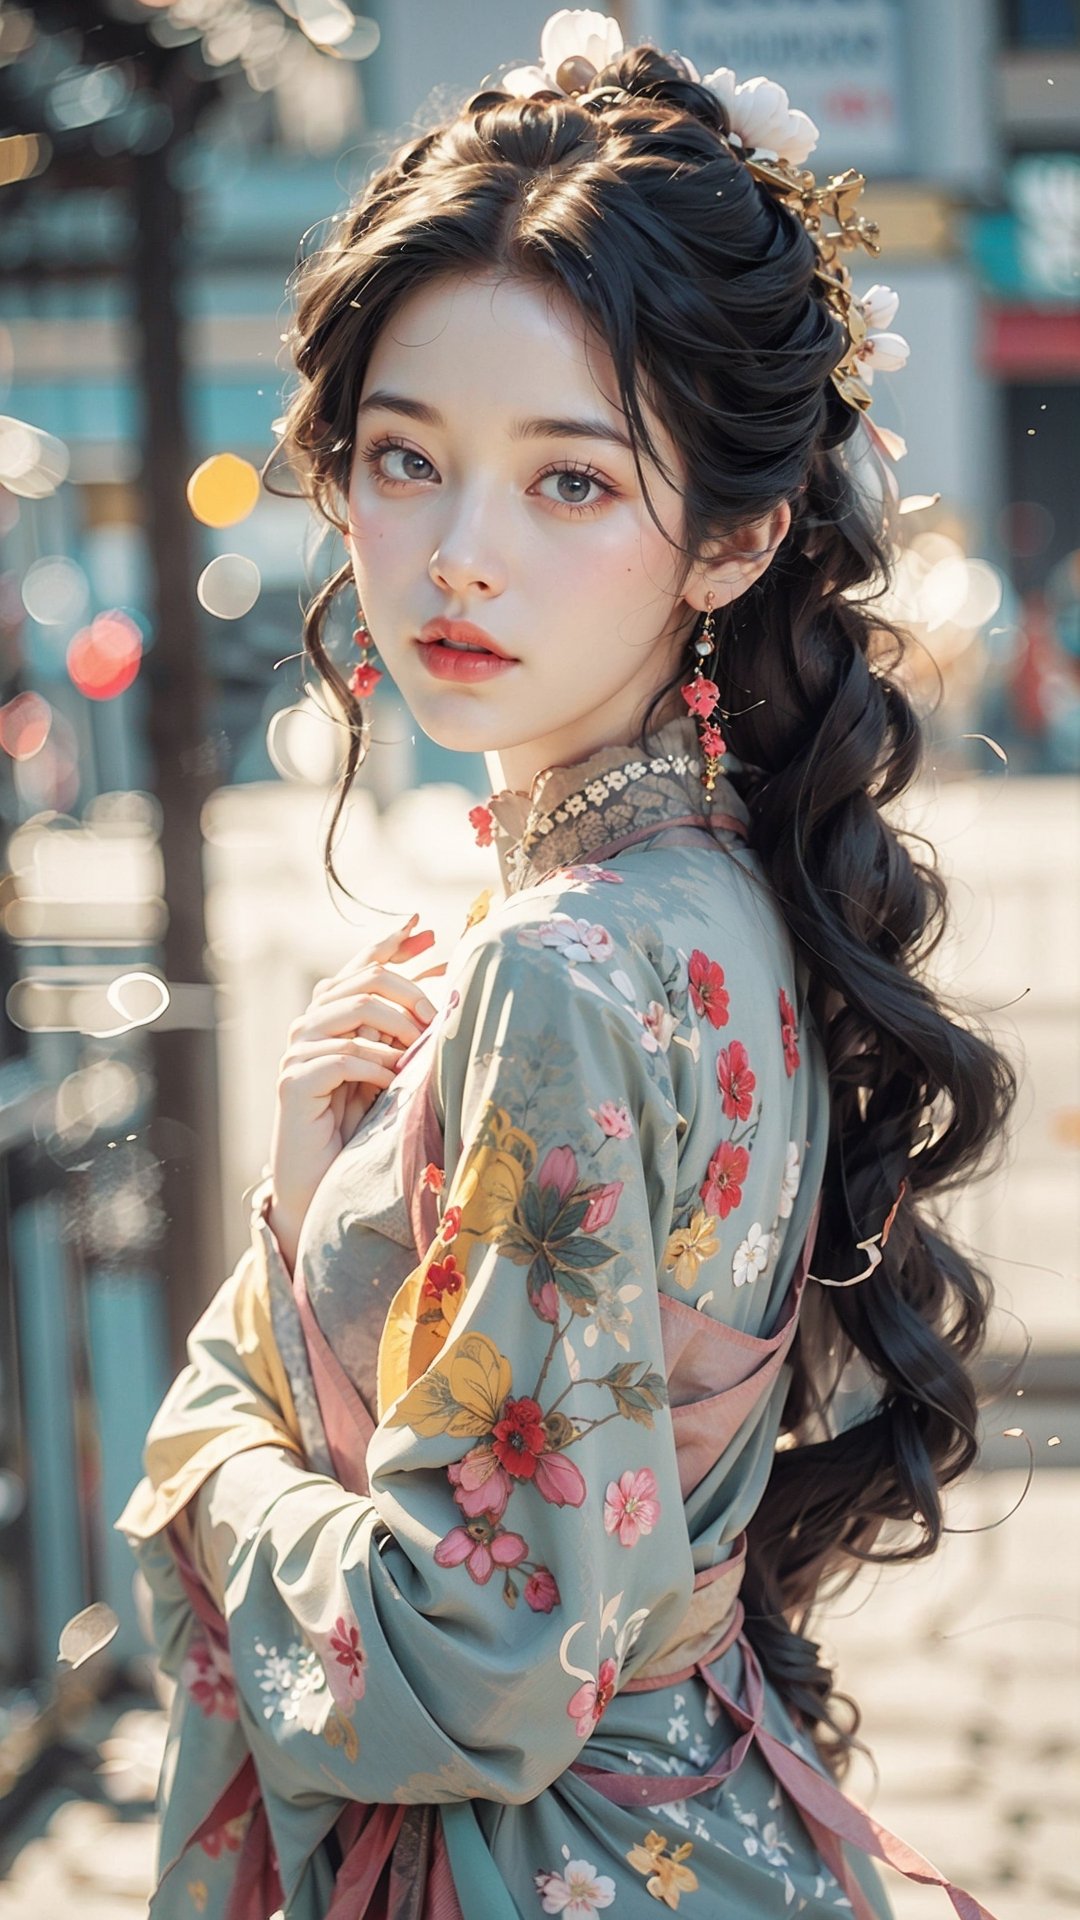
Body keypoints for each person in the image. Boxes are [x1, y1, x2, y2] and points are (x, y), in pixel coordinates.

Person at [118, 13, 1018, 1918]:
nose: (457, 557)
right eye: (404, 459)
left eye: (572, 483)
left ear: (738, 534)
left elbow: (470, 1665)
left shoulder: (560, 971)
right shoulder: (724, 903)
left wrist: (220, 1423)